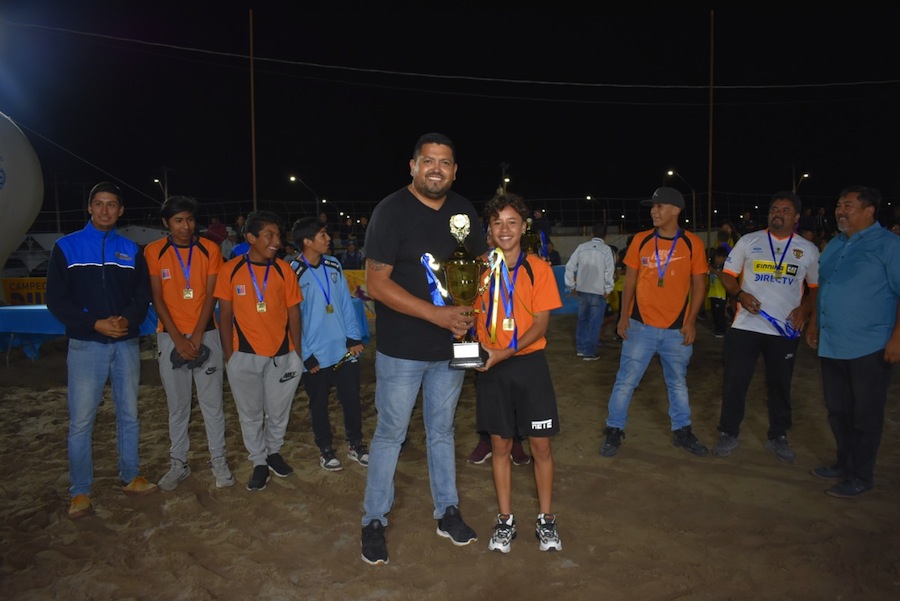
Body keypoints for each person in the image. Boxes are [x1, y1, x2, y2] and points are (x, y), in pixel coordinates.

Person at [360, 132, 486, 566]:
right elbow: (376, 284)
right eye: (428, 160)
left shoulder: (464, 211)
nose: (436, 169)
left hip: (451, 347)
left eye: (445, 162)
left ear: (455, 170)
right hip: (402, 350)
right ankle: (373, 519)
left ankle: (447, 511)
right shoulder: (391, 210)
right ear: (412, 166)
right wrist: (437, 316)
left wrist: (469, 317)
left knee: (443, 432)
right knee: (390, 434)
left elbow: (477, 270)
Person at [46, 182, 157, 519]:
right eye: (99, 203)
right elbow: (57, 300)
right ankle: (80, 491)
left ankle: (131, 475)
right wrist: (93, 324)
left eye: (111, 205)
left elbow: (142, 295)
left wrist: (127, 320)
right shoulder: (66, 247)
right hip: (86, 346)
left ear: (120, 210)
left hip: (125, 343)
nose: (105, 210)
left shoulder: (131, 250)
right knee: (81, 421)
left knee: (129, 414)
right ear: (90, 207)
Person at [474, 192, 563, 554]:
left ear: (524, 227)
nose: (505, 229)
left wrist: (504, 352)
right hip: (492, 369)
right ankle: (505, 520)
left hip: (529, 365)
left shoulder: (538, 268)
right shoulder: (477, 268)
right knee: (500, 445)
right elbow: (467, 313)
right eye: (497, 222)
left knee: (541, 446)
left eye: (512, 222)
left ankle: (546, 519)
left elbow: (541, 325)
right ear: (489, 229)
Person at [600, 187, 709, 458]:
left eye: (659, 206)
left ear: (675, 210)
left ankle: (682, 431)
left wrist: (691, 322)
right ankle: (614, 429)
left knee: (678, 383)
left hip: (677, 330)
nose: (653, 211)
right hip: (640, 327)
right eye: (652, 206)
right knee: (625, 382)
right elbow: (630, 281)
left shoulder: (692, 244)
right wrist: (624, 316)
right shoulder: (641, 240)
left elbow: (700, 284)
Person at [806, 186, 900, 498]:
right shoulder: (835, 243)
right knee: (838, 410)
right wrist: (815, 323)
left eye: (848, 205)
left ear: (869, 211)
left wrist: (897, 337)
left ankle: (861, 475)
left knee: (865, 414)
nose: (840, 210)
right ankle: (844, 464)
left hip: (869, 345)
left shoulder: (889, 245)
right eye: (838, 204)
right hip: (833, 343)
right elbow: (825, 287)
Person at [712, 191, 819, 463]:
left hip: (784, 331)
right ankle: (728, 432)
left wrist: (804, 310)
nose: (777, 214)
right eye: (774, 209)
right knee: (735, 381)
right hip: (746, 326)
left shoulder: (807, 249)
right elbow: (727, 275)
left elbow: (816, 288)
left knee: (780, 384)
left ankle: (778, 436)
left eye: (785, 210)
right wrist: (740, 295)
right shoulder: (749, 241)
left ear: (796, 217)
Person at [144, 196, 235, 491]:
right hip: (170, 336)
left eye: (190, 220)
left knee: (212, 404)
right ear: (166, 223)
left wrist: (196, 336)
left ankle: (218, 461)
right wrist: (177, 339)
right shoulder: (154, 251)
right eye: (178, 221)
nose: (185, 226)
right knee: (178, 406)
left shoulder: (210, 249)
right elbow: (157, 298)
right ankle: (178, 463)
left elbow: (211, 296)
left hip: (206, 334)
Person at [213, 211, 304, 492]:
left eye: (278, 236)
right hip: (244, 356)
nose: (277, 241)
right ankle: (258, 461)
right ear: (251, 238)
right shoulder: (230, 270)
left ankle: (273, 451)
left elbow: (294, 313)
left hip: (283, 355)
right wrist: (230, 356)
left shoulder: (284, 270)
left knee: (278, 411)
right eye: (269, 235)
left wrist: (297, 353)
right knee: (250, 413)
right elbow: (224, 315)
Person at [291, 217, 368, 472]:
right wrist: (306, 354)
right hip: (315, 354)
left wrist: (353, 337)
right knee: (318, 404)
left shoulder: (334, 264)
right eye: (322, 235)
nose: (328, 239)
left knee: (352, 400)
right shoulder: (293, 272)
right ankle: (325, 449)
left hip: (343, 350)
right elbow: (292, 319)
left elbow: (345, 302)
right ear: (307, 241)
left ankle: (356, 445)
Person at [564, 223, 616, 361]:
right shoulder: (606, 250)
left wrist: (571, 285)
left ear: (591, 234)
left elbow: (569, 267)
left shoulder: (581, 247)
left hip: (582, 290)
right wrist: (608, 288)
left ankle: (581, 349)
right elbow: (609, 271)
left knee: (582, 320)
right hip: (598, 292)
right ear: (606, 236)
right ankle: (589, 352)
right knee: (594, 323)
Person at [707, 246, 730, 338]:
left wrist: (713, 270)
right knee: (715, 313)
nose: (716, 259)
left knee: (720, 314)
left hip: (721, 294)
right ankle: (717, 329)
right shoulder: (715, 266)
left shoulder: (726, 268)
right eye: (716, 257)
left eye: (719, 257)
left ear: (724, 258)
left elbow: (724, 277)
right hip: (713, 293)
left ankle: (721, 330)